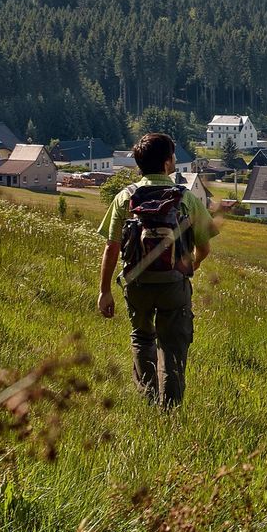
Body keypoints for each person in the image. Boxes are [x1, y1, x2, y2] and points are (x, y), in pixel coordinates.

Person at [97, 132, 219, 408]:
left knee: (142, 337)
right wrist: (193, 264)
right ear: (167, 163)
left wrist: (105, 291)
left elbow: (112, 247)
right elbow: (205, 247)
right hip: (174, 283)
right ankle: (170, 409)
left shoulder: (125, 197)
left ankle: (148, 399)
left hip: (136, 283)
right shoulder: (185, 198)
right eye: (173, 155)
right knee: (173, 346)